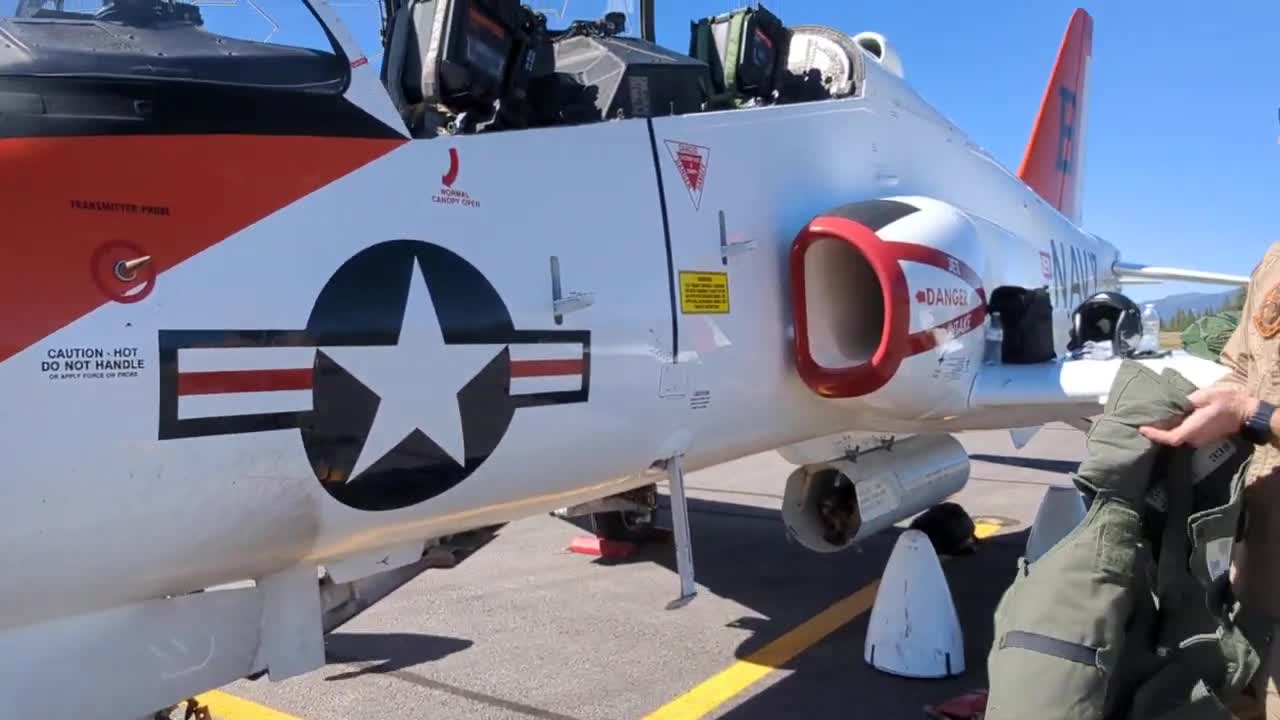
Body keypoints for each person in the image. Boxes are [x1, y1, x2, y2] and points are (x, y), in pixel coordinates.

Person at [1140, 243, 1280, 719]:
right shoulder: (1275, 259)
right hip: (1256, 577)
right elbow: (1245, 370)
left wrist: (1250, 414)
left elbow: (1251, 405)